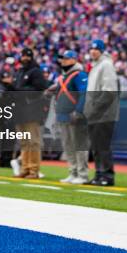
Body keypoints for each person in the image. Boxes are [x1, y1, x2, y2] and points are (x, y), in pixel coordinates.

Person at [49, 50, 89, 185]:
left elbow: (84, 94)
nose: (63, 61)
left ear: (74, 60)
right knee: (68, 146)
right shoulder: (63, 77)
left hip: (74, 116)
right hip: (63, 116)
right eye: (62, 59)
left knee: (79, 145)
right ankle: (73, 172)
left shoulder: (80, 75)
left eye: (66, 58)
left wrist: (78, 111)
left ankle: (82, 174)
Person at [84, 40, 119, 186]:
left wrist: (94, 109)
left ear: (102, 50)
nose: (93, 51)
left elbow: (109, 92)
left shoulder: (106, 65)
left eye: (96, 49)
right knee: (97, 146)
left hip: (104, 114)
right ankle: (99, 174)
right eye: (91, 49)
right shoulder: (96, 66)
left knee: (102, 146)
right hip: (95, 114)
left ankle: (107, 176)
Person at [10, 48, 49, 179]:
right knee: (24, 141)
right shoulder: (19, 72)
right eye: (23, 56)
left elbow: (40, 87)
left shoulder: (36, 71)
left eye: (27, 56)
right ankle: (25, 168)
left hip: (32, 110)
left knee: (33, 141)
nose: (25, 58)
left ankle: (33, 170)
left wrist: (20, 90)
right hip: (20, 110)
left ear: (31, 57)